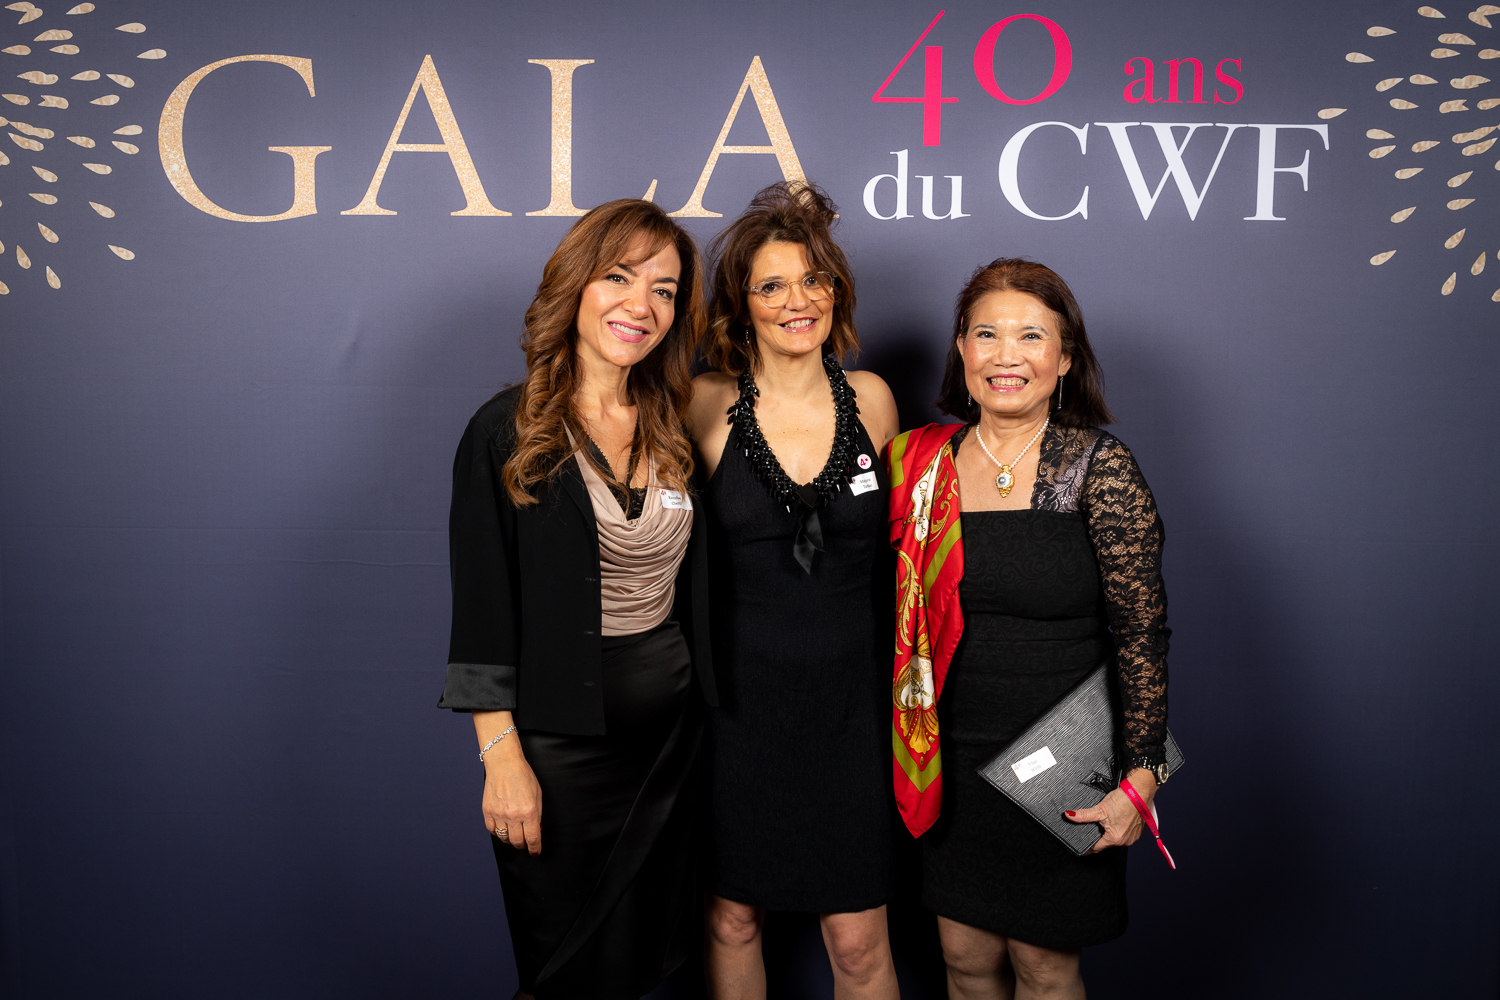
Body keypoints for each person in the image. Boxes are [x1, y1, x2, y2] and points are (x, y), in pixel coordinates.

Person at [437, 199, 716, 1000]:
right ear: (575, 285)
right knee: (563, 973)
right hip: (557, 753)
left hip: (672, 747)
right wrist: (501, 759)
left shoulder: (673, 425)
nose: (641, 304)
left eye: (664, 289)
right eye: (619, 277)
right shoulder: (505, 430)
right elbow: (482, 611)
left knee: (644, 969)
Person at [887, 258, 1171, 1000]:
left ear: (1066, 359)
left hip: (1062, 761)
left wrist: (1142, 774)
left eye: (1031, 336)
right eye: (986, 334)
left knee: (1045, 967)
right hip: (948, 760)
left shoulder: (1099, 468)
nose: (1005, 355)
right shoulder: (923, 464)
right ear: (961, 348)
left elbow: (1142, 632)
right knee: (963, 959)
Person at [685, 182, 902, 1000]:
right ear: (741, 305)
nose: (797, 301)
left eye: (813, 280)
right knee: (732, 921)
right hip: (735, 712)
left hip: (853, 711)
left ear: (836, 291)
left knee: (859, 941)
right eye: (771, 285)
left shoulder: (874, 400)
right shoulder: (703, 404)